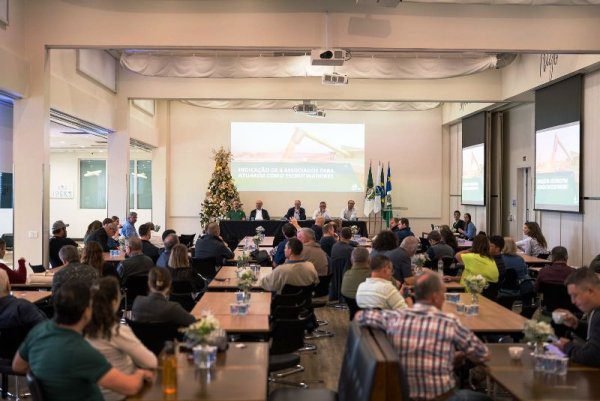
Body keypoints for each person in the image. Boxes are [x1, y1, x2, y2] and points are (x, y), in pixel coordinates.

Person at [356, 272, 491, 401]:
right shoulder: (448, 322)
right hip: (440, 396)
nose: (444, 298)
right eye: (442, 293)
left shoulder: (394, 317)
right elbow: (483, 354)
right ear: (434, 296)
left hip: (403, 394)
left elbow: (360, 316)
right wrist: (458, 355)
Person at [12, 280, 153, 401]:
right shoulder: (82, 351)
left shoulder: (38, 332)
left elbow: (17, 366)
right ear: (86, 312)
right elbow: (130, 387)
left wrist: (51, 372)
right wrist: (140, 373)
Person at [85, 276, 158, 401]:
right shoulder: (117, 331)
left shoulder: (82, 328)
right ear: (114, 302)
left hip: (93, 393)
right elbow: (151, 362)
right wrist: (139, 373)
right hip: (120, 394)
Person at [556, 267, 600, 367]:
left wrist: (567, 346)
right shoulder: (595, 310)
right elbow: (596, 336)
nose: (573, 301)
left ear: (590, 291)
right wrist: (576, 325)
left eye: (575, 295)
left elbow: (593, 356)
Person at [131, 268, 196, 326]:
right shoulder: (173, 308)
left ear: (149, 283)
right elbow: (194, 323)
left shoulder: (137, 302)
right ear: (169, 284)